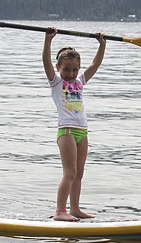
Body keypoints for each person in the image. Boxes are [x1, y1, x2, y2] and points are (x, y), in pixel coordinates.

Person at [43, 27, 106, 221]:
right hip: (67, 131)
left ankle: (75, 209)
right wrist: (48, 41)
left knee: (79, 173)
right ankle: (60, 211)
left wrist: (102, 45)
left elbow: (95, 64)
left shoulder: (80, 80)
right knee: (69, 172)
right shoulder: (56, 83)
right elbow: (45, 62)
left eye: (74, 69)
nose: (71, 73)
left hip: (82, 132)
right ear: (58, 68)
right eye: (66, 69)